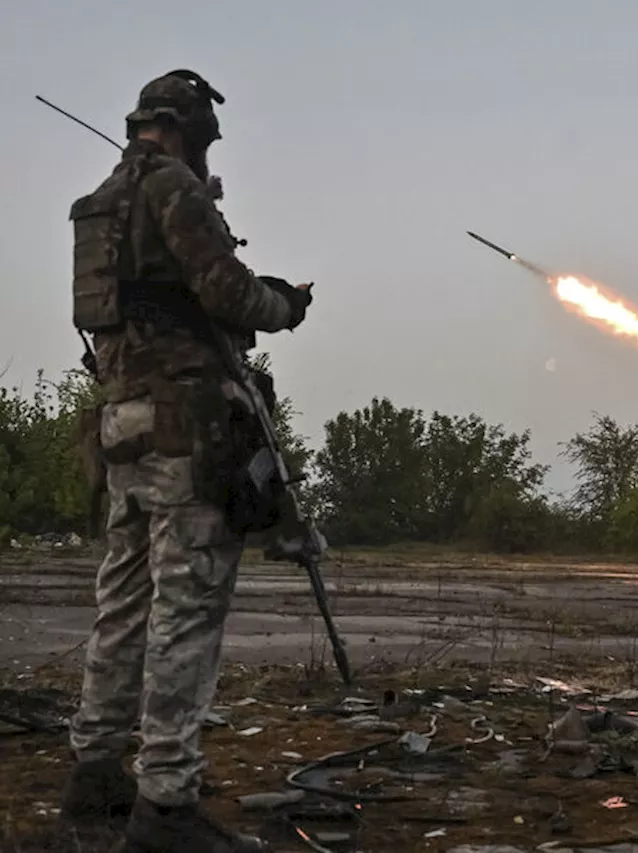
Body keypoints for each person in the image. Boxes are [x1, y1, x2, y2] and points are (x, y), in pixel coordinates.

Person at [59, 69, 313, 853]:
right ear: (187, 129)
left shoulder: (98, 205)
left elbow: (117, 314)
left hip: (124, 427)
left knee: (123, 601)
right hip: (185, 431)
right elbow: (226, 292)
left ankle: (94, 771)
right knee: (186, 608)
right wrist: (284, 305)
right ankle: (165, 803)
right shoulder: (173, 190)